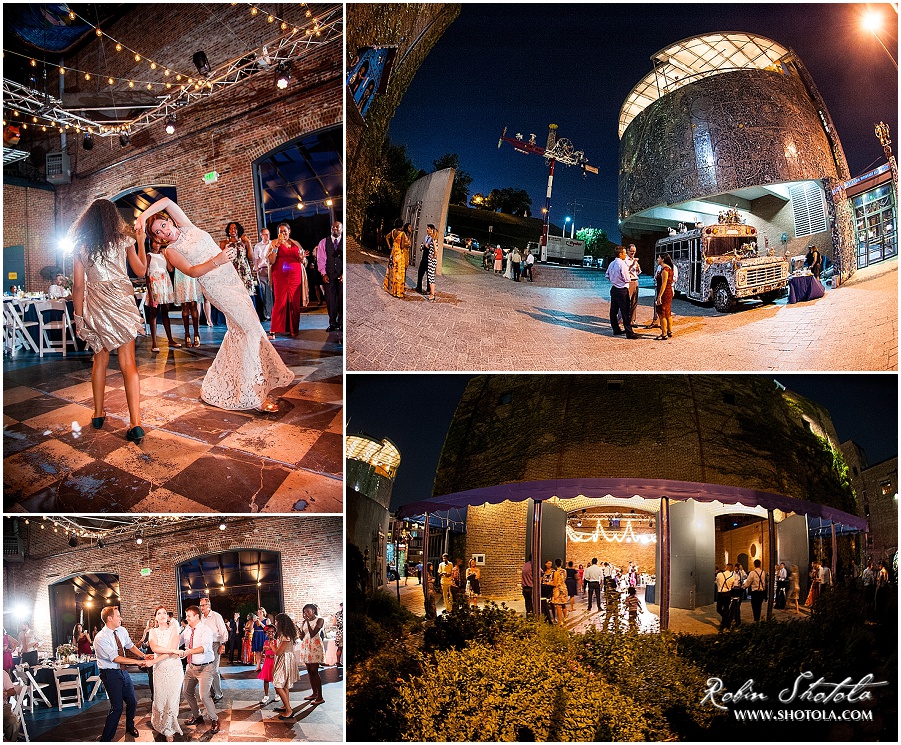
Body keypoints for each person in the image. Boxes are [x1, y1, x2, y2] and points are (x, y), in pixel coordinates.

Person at [138, 197, 294, 412]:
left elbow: (166, 201)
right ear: (158, 238)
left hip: (231, 278)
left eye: (163, 225)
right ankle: (253, 395)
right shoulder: (171, 251)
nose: (164, 231)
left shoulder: (187, 226)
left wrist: (144, 216)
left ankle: (223, 383)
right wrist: (218, 260)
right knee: (251, 330)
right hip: (216, 286)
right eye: (158, 232)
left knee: (242, 331)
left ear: (170, 221)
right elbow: (192, 272)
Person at [70, 199, 148, 444]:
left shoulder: (81, 246)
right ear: (113, 218)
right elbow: (141, 271)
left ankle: (97, 414)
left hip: (98, 306)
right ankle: (135, 423)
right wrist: (142, 242)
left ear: (88, 221)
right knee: (129, 364)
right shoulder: (124, 241)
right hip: (123, 303)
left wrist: (79, 317)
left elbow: (79, 286)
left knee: (100, 361)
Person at [94, 605, 151, 741]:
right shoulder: (100, 638)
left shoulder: (121, 630)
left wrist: (143, 656)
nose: (121, 618)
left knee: (132, 701)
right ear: (109, 618)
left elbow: (129, 645)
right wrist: (137, 662)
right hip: (110, 674)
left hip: (123, 672)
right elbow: (115, 658)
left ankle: (130, 727)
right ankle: (106, 739)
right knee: (117, 708)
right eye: (118, 615)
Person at [146, 605, 184, 742]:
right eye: (159, 613)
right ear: (155, 617)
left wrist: (155, 659)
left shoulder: (174, 629)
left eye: (164, 613)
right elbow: (155, 647)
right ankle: (159, 724)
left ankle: (169, 729)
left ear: (168, 616)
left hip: (174, 669)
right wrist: (172, 652)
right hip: (160, 670)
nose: (162, 615)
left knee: (172, 700)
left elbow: (171, 650)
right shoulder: (152, 632)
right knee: (160, 700)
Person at [181, 604, 219, 734]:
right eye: (186, 616)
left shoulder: (205, 630)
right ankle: (197, 716)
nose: (187, 618)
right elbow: (177, 642)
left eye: (189, 616)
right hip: (191, 667)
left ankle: (214, 719)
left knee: (204, 696)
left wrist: (190, 651)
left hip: (205, 667)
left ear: (197, 616)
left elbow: (205, 647)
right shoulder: (186, 630)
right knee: (186, 692)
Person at [268, 222, 308, 338]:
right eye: (280, 231)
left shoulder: (296, 243)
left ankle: (293, 329)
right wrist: (276, 247)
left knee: (294, 303)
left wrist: (302, 259)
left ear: (289, 231)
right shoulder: (275, 243)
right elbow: (271, 261)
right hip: (280, 275)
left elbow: (303, 261)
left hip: (295, 276)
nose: (283, 233)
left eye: (285, 231)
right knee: (280, 301)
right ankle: (273, 331)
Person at [144, 235, 182, 353]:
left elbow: (170, 269)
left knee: (166, 313)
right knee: (154, 313)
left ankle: (170, 339)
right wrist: (150, 293)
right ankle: (154, 342)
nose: (158, 243)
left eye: (159, 242)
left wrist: (166, 255)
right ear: (151, 243)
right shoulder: (149, 256)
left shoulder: (162, 254)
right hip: (155, 284)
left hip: (165, 283)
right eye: (155, 242)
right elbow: (146, 274)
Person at [316, 221, 344, 331]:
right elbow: (321, 259)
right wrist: (323, 273)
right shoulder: (323, 242)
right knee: (330, 300)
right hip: (329, 275)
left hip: (342, 275)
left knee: (342, 299)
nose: (335, 229)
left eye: (337, 227)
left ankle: (341, 323)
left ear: (341, 229)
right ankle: (333, 323)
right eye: (333, 227)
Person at [198, 597, 227, 701]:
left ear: (208, 605)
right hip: (204, 646)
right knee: (206, 670)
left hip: (215, 644)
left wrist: (222, 645)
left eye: (203, 605)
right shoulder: (201, 618)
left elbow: (223, 631)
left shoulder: (216, 616)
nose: (202, 607)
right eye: (201, 605)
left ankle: (218, 694)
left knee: (213, 670)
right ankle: (211, 693)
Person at [606, 246, 638, 338]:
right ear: (620, 254)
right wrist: (623, 281)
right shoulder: (622, 264)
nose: (625, 255)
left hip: (614, 288)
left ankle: (615, 329)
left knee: (613, 311)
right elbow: (627, 278)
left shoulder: (612, 263)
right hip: (622, 289)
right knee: (625, 311)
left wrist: (614, 280)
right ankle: (629, 332)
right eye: (624, 253)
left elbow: (607, 275)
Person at [276, 610, 303, 711]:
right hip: (287, 658)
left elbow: (278, 652)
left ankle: (289, 710)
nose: (275, 623)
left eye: (276, 621)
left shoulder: (285, 636)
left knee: (278, 684)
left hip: (285, 659)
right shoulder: (286, 634)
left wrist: (271, 646)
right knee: (285, 684)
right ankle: (286, 705)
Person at [220, 222, 256, 298]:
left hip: (243, 271)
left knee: (246, 297)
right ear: (228, 231)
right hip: (230, 272)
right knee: (233, 296)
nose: (233, 230)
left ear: (238, 230)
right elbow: (220, 259)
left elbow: (251, 258)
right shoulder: (224, 243)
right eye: (230, 228)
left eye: (235, 228)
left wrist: (248, 242)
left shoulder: (244, 242)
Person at [173, 258, 203, 347]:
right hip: (180, 273)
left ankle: (196, 334)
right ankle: (187, 334)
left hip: (192, 271)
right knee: (184, 305)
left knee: (194, 304)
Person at [384, 220, 411, 298]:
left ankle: (390, 289)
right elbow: (402, 246)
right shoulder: (402, 234)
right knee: (399, 273)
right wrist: (407, 243)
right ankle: (398, 291)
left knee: (391, 271)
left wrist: (389, 246)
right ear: (401, 226)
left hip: (393, 253)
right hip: (399, 254)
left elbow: (386, 237)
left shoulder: (393, 231)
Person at [252, 227, 274, 321]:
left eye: (268, 234)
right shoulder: (258, 246)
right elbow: (255, 259)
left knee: (273, 292)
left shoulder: (273, 243)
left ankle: (275, 312)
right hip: (262, 270)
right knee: (265, 292)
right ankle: (268, 314)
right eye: (265, 234)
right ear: (261, 235)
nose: (267, 236)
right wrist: (256, 269)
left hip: (272, 269)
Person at [654, 254, 674, 340]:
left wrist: (659, 296)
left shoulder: (665, 270)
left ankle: (664, 333)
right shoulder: (669, 268)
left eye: (658, 258)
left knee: (662, 313)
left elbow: (664, 284)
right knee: (668, 312)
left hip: (664, 293)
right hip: (668, 292)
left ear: (662, 259)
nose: (657, 259)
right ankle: (669, 331)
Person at [257, 624, 277, 704]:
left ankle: (278, 694)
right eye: (268, 632)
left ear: (275, 632)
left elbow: (278, 652)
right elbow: (263, 652)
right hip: (267, 662)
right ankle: (266, 695)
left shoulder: (276, 642)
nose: (270, 634)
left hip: (274, 662)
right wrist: (263, 655)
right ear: (266, 633)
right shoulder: (265, 642)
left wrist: (273, 655)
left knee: (275, 679)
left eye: (272, 632)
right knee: (266, 679)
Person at [415, 223, 435, 295]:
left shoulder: (433, 238)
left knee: (428, 275)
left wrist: (427, 247)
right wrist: (423, 247)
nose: (427, 229)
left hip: (429, 258)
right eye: (427, 228)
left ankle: (428, 290)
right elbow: (425, 245)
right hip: (424, 257)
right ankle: (419, 287)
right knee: (420, 272)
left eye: (429, 228)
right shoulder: (426, 237)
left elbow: (433, 249)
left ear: (432, 230)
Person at [715, 564, 736, 631]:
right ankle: (727, 621)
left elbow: (717, 582)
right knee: (726, 608)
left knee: (719, 609)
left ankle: (725, 622)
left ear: (726, 567)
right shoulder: (733, 577)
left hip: (720, 593)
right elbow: (732, 586)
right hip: (728, 594)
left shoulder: (719, 575)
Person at [625, 244, 641, 326]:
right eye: (631, 251)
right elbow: (625, 271)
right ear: (627, 250)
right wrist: (632, 264)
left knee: (634, 302)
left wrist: (637, 268)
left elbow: (638, 272)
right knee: (627, 301)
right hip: (629, 282)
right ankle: (623, 319)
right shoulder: (624, 260)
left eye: (634, 252)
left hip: (635, 281)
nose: (633, 253)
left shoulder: (635, 260)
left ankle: (632, 320)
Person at [540, 560, 556, 624]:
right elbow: (541, 580)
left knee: (552, 603)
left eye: (550, 563)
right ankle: (546, 617)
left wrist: (547, 583)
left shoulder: (553, 572)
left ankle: (554, 617)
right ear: (545, 564)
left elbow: (554, 581)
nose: (549, 565)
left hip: (550, 588)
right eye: (548, 563)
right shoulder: (544, 572)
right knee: (544, 603)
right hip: (544, 589)